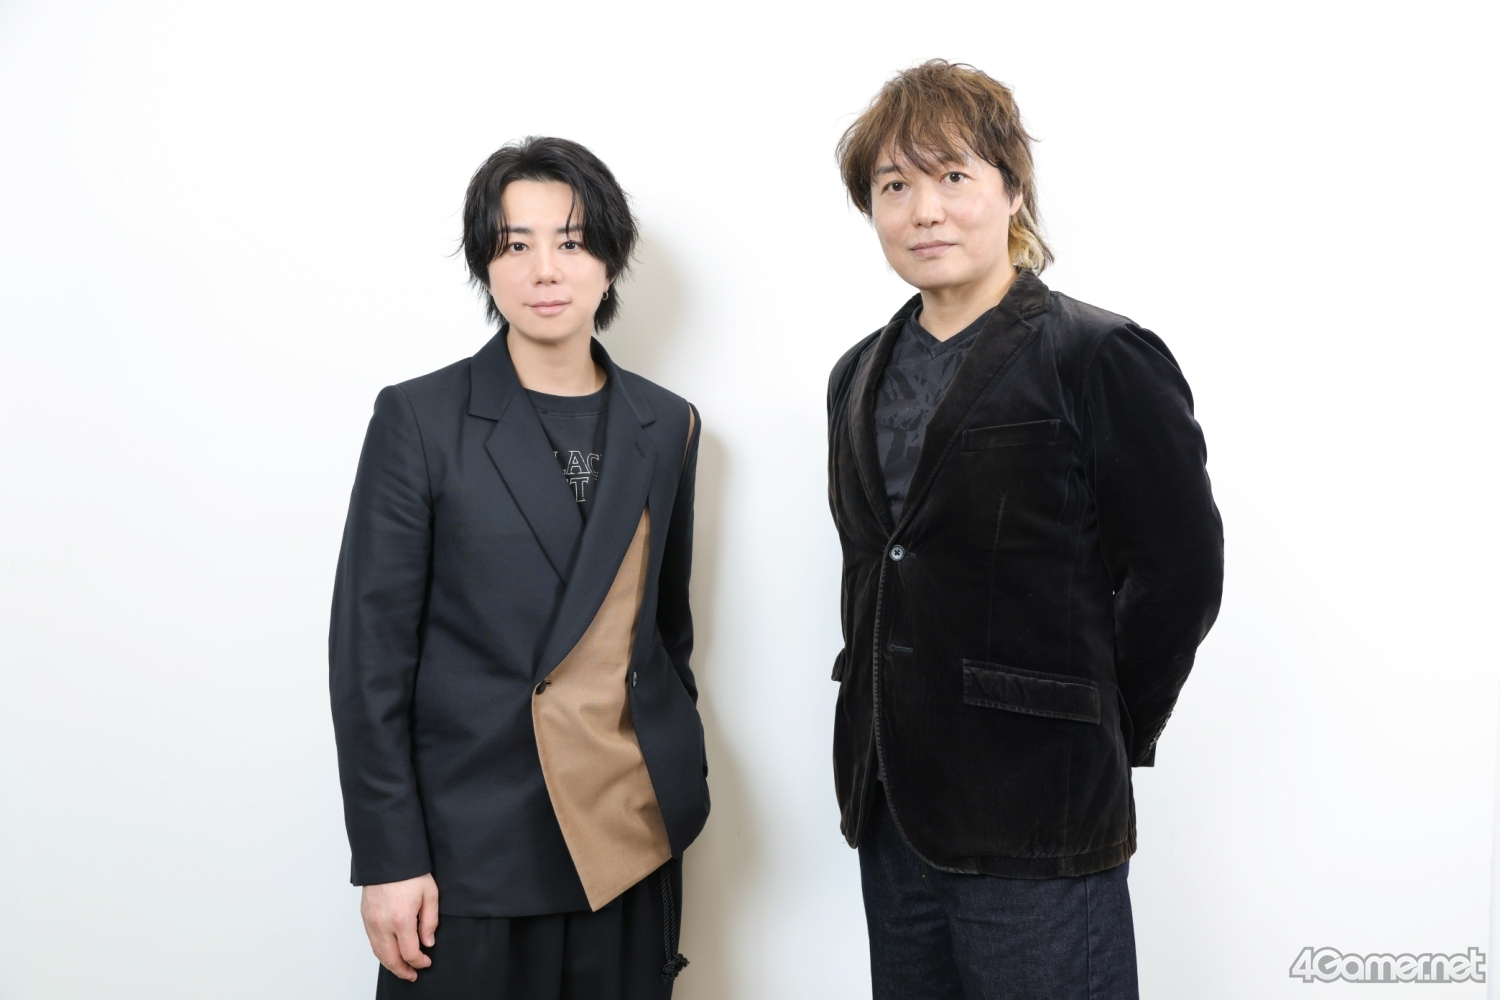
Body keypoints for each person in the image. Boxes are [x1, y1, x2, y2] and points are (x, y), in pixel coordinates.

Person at [825, 61, 1224, 999]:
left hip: (1040, 812)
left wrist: (1098, 723)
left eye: (953, 176)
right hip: (891, 807)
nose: (924, 210)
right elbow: (879, 568)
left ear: (1012, 190)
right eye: (895, 186)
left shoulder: (1098, 353)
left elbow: (1179, 573)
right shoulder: (855, 374)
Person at [330, 136, 706, 999]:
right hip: (469, 850)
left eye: (571, 242)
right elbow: (369, 658)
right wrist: (389, 857)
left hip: (626, 837)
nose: (546, 269)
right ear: (485, 265)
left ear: (608, 261)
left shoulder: (668, 424)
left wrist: (676, 772)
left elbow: (665, 635)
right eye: (515, 244)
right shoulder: (420, 418)